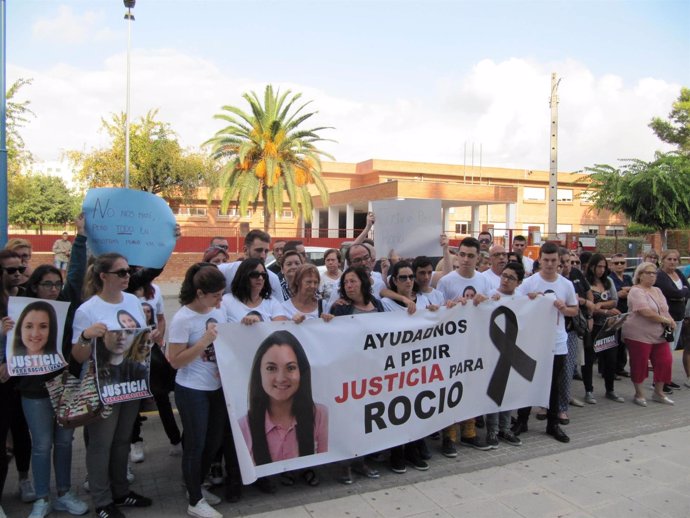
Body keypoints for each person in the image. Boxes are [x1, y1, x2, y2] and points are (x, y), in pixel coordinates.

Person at [71, 253, 152, 518]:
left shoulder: (131, 300)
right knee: (101, 443)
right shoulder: (88, 309)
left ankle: (120, 491)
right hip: (103, 385)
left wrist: (150, 337)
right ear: (103, 276)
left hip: (130, 381)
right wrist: (85, 335)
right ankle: (102, 500)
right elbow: (78, 355)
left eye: (128, 271)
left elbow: (138, 338)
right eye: (121, 272)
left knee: (122, 440)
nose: (128, 276)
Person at [168, 263, 227, 518]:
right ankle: (194, 500)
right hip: (192, 389)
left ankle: (196, 487)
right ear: (200, 293)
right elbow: (175, 360)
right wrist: (204, 341)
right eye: (216, 295)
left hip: (216, 387)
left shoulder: (218, 311)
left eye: (222, 294)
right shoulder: (183, 318)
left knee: (213, 442)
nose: (220, 300)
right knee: (195, 443)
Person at [514, 242, 578, 444]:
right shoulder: (529, 283)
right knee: (528, 379)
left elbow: (574, 310)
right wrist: (529, 300)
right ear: (539, 260)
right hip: (533, 341)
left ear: (559, 262)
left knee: (553, 384)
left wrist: (563, 308)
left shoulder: (566, 285)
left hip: (556, 341)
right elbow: (516, 305)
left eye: (553, 260)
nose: (549, 264)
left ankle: (553, 424)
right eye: (546, 260)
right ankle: (522, 420)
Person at [239, 330, 328, 467]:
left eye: (291, 368)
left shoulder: (320, 414)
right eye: (271, 368)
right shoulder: (243, 426)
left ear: (301, 371)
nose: (281, 378)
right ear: (259, 373)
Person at [622, 262, 675, 406]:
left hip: (658, 334)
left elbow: (664, 309)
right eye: (648, 273)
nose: (652, 276)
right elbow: (644, 311)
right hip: (638, 334)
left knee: (665, 361)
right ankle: (639, 394)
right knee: (639, 363)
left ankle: (659, 393)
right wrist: (665, 320)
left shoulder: (657, 290)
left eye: (654, 273)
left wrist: (670, 320)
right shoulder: (636, 290)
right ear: (640, 275)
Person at [485, 262, 526, 448]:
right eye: (504, 275)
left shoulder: (522, 299)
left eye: (511, 278)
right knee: (495, 392)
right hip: (493, 351)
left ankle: (505, 428)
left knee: (509, 392)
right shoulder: (491, 295)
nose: (505, 280)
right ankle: (492, 430)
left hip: (512, 351)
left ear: (519, 282)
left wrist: (536, 300)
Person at [583, 253, 623, 403]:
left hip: (608, 326)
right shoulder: (586, 282)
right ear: (591, 266)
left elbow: (614, 301)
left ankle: (610, 389)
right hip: (592, 326)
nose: (601, 270)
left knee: (610, 359)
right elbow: (587, 306)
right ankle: (588, 390)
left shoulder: (608, 282)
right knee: (589, 359)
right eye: (598, 266)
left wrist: (601, 305)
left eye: (603, 267)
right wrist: (602, 310)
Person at [654, 249, 690, 392]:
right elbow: (673, 292)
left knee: (672, 349)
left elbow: (688, 288)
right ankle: (659, 382)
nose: (673, 262)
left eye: (675, 259)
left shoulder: (678, 273)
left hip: (679, 316)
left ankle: (667, 379)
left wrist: (681, 294)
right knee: (664, 350)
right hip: (666, 318)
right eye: (669, 259)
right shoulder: (660, 275)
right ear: (663, 260)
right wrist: (681, 293)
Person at [609, 253, 633, 378]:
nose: (619, 265)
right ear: (611, 265)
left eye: (622, 263)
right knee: (612, 342)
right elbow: (619, 294)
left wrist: (625, 290)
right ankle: (609, 370)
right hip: (614, 313)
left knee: (623, 342)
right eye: (616, 263)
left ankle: (620, 367)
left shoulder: (628, 278)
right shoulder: (609, 278)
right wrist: (623, 292)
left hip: (626, 313)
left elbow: (633, 291)